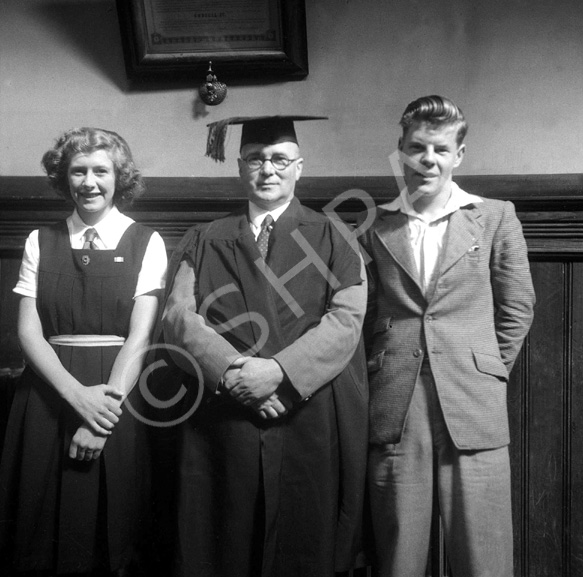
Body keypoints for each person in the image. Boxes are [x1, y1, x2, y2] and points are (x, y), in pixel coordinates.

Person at [161, 115, 369, 577]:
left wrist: (278, 373)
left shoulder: (334, 235)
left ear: (300, 167)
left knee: (304, 542)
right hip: (223, 410)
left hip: (305, 408)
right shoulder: (205, 238)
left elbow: (347, 320)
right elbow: (178, 315)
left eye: (280, 159)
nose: (268, 169)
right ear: (239, 167)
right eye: (256, 159)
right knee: (222, 541)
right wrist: (233, 370)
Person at [359, 96, 535, 577]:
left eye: (440, 149)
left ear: (459, 155)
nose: (427, 160)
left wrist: (484, 367)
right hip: (395, 400)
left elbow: (517, 306)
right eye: (417, 148)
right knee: (399, 555)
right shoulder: (374, 224)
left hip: (473, 400)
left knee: (484, 557)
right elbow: (367, 313)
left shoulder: (495, 215)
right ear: (401, 151)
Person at [0, 127, 167, 576]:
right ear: (64, 177)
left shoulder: (146, 242)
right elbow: (28, 331)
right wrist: (76, 397)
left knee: (112, 531)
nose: (89, 182)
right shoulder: (41, 240)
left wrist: (103, 413)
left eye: (101, 171)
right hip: (46, 397)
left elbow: (141, 336)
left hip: (119, 395)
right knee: (38, 528)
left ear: (119, 177)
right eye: (78, 171)